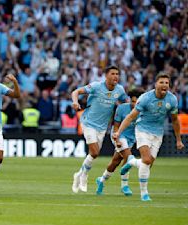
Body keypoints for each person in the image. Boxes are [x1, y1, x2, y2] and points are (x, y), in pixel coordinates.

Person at [113, 73, 184, 201]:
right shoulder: (145, 98)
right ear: (156, 84)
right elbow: (130, 116)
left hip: (158, 133)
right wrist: (119, 132)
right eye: (161, 82)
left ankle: (132, 162)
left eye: (167, 83)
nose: (164, 85)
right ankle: (144, 194)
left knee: (148, 163)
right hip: (142, 130)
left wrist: (178, 139)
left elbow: (175, 120)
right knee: (146, 160)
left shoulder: (172, 99)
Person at [71, 65, 128, 194]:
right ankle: (84, 175)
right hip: (88, 123)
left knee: (93, 155)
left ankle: (78, 174)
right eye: (112, 73)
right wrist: (75, 102)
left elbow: (126, 103)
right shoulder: (96, 86)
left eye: (117, 74)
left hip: (103, 127)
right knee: (95, 152)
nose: (115, 76)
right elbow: (76, 92)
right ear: (106, 75)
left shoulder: (119, 90)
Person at [95, 88, 144, 196]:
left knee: (115, 161)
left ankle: (101, 180)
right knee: (128, 157)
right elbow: (116, 126)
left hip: (131, 137)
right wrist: (117, 140)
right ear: (129, 100)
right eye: (132, 101)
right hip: (119, 135)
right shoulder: (121, 108)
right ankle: (124, 185)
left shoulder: (144, 111)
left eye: (137, 102)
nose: (134, 104)